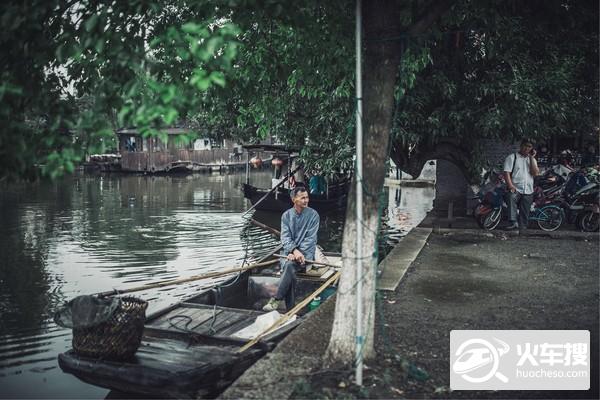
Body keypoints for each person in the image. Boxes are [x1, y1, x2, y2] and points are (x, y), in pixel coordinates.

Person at [263, 186, 319, 311]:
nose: (306, 200)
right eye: (302, 198)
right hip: (288, 253)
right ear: (294, 199)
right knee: (290, 266)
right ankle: (290, 309)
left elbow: (310, 240)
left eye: (307, 197)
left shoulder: (313, 215)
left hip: (306, 254)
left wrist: (298, 253)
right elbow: (285, 238)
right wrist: (292, 251)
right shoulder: (286, 216)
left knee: (289, 266)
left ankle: (276, 299)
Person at [503, 138, 540, 232]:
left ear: (532, 149)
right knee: (511, 198)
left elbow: (535, 173)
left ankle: (522, 229)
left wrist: (531, 158)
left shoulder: (532, 160)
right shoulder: (512, 157)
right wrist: (510, 186)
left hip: (528, 189)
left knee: (525, 211)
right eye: (525, 145)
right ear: (521, 145)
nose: (527, 148)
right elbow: (506, 173)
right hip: (515, 188)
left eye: (529, 147)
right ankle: (512, 223)